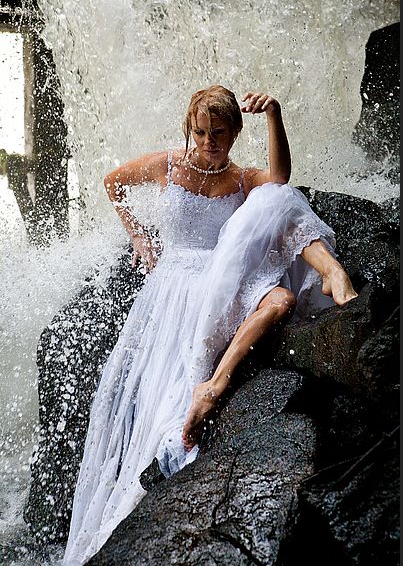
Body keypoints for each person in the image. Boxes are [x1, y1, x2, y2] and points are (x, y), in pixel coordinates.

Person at [63, 85, 357, 564]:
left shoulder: (242, 179)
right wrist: (138, 235)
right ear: (189, 130)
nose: (207, 142)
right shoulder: (169, 165)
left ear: (234, 132)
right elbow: (112, 182)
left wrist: (274, 116)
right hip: (177, 285)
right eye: (199, 132)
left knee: (280, 244)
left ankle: (214, 386)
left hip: (221, 275)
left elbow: (280, 176)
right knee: (280, 232)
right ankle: (330, 274)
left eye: (218, 133)